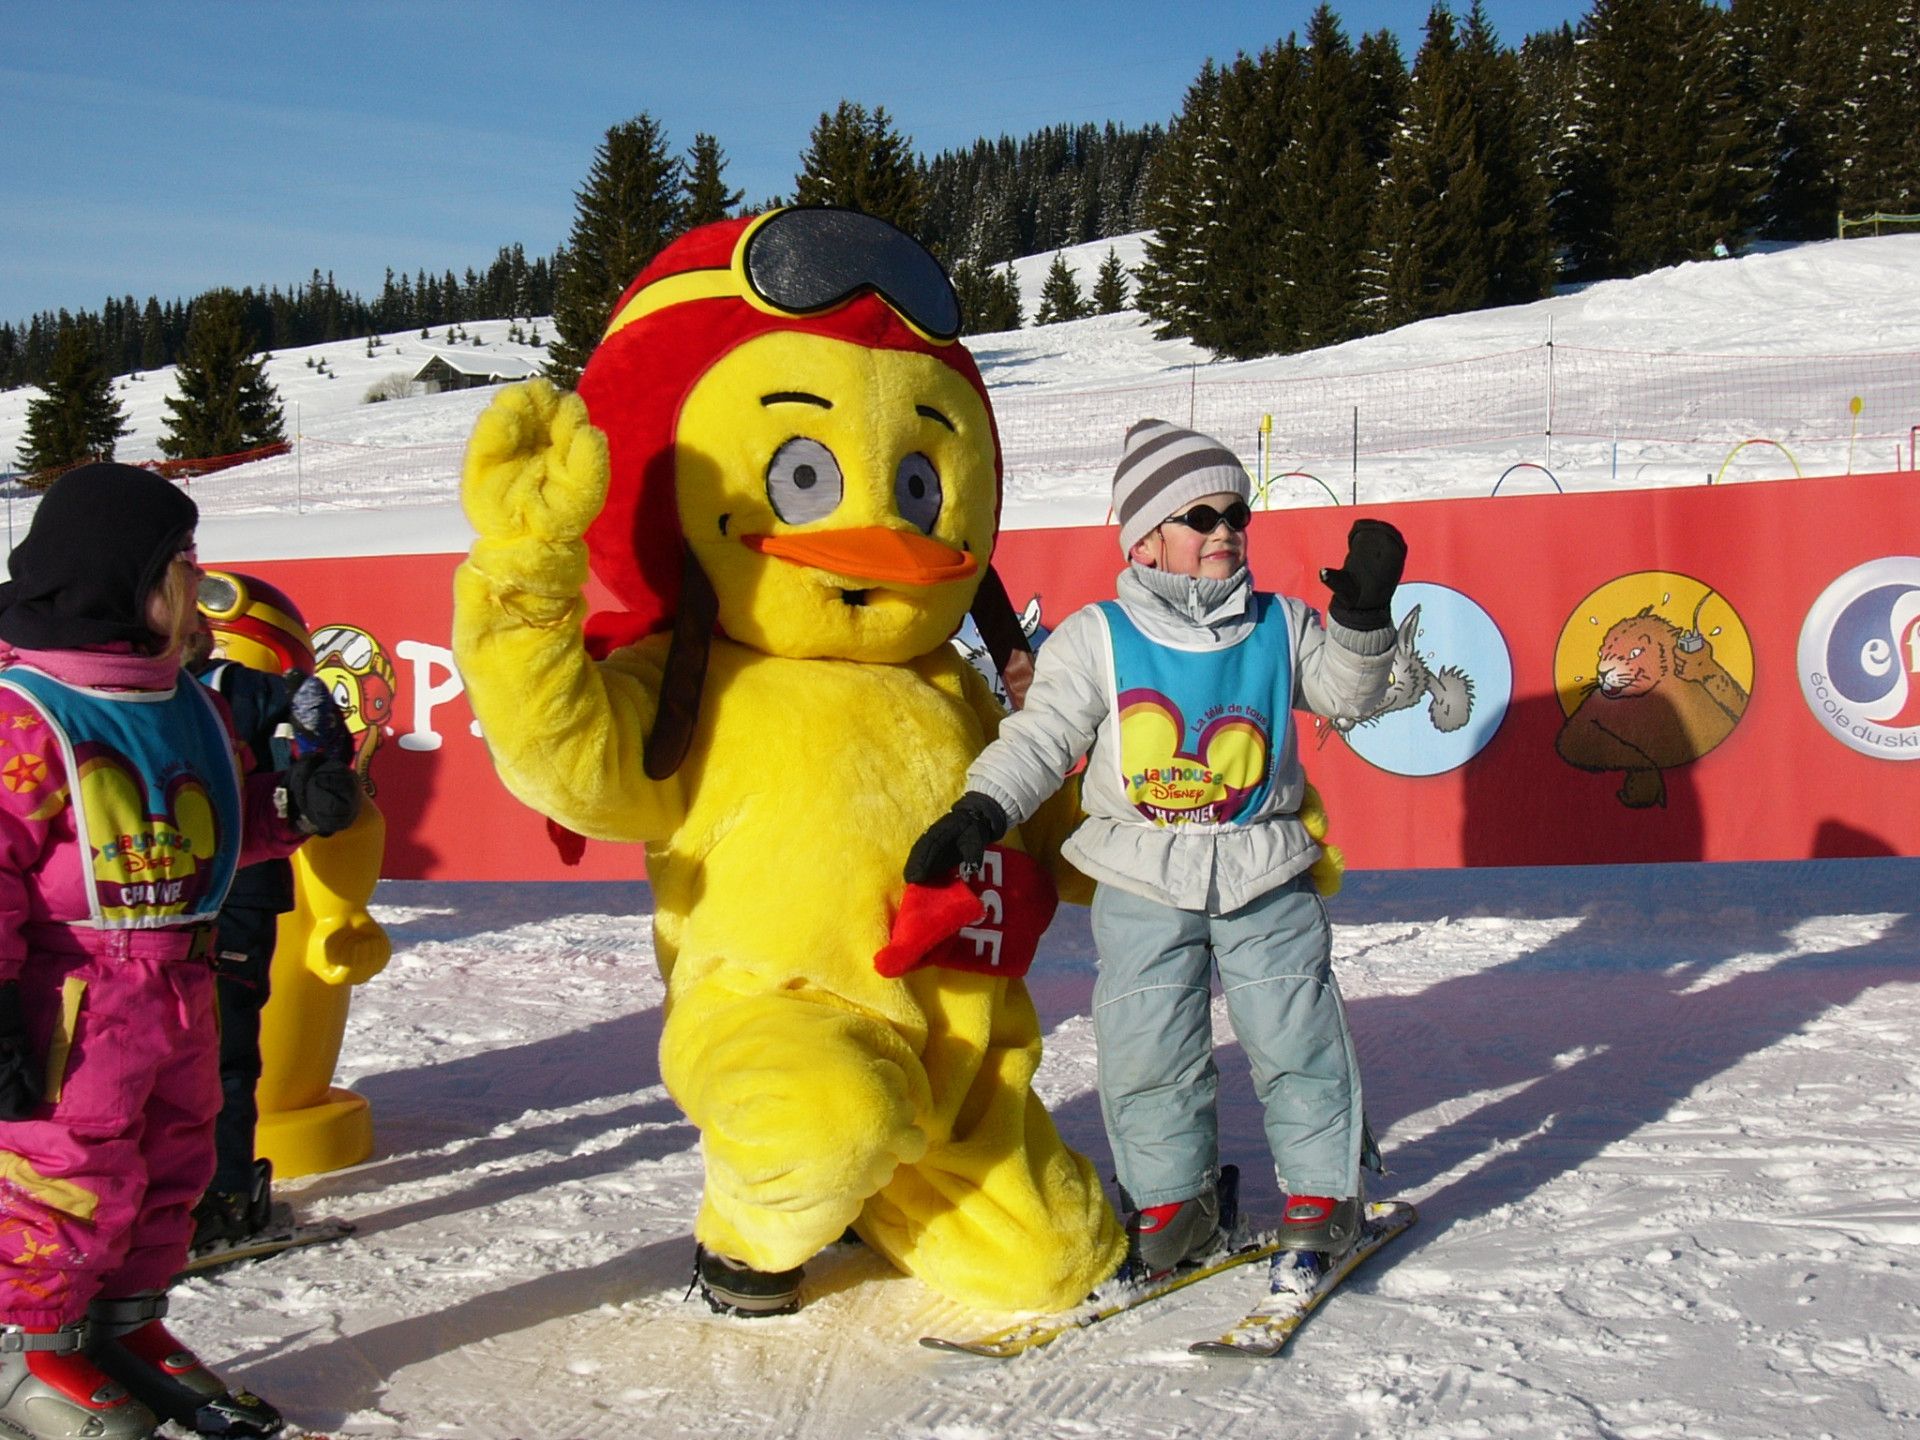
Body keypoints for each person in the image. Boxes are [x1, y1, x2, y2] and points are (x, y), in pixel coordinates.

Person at [906, 419, 1405, 1282]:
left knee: (1296, 1032)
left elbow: (1347, 697)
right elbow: (1043, 735)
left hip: (1263, 865)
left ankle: (1325, 1194)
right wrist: (981, 810)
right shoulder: (1099, 636)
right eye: (1200, 516)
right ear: (1144, 539)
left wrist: (1361, 619)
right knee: (1147, 1043)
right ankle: (1175, 1201)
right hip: (1140, 872)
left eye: (1235, 514)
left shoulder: (1279, 622)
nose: (1224, 532)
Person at [0, 464, 361, 1440]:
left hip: (178, 983)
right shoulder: (28, 713)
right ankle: (28, 1347)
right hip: (75, 1002)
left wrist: (287, 809)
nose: (199, 588)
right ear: (123, 579)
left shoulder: (183, 702)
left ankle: (125, 1326)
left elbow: (207, 825)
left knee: (171, 1167)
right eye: (182, 568)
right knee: (69, 1173)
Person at [183, 571, 332, 1250]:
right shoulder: (138, 691)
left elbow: (309, 697)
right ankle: (203, 1195)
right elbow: (308, 694)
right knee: (205, 1053)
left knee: (217, 1050)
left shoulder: (227, 686)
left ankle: (219, 1194)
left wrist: (315, 775)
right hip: (182, 896)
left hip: (229, 890)